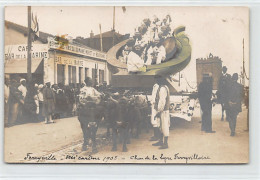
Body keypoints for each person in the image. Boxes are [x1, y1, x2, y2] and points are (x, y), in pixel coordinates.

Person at [152, 76, 170, 149]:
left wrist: (159, 111)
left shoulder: (162, 89)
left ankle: (165, 144)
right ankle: (160, 141)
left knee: (164, 126)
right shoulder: (165, 87)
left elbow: (162, 101)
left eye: (157, 79)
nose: (156, 81)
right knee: (160, 126)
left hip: (163, 111)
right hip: (163, 110)